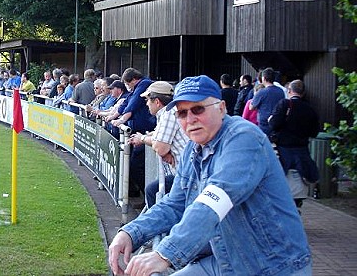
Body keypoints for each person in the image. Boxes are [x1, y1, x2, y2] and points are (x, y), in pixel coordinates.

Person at [108, 75, 312, 276]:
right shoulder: (193, 149)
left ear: (221, 108)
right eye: (182, 113)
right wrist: (130, 232)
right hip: (223, 260)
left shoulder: (244, 138)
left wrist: (164, 254)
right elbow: (175, 203)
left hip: (272, 265)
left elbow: (214, 201)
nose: (190, 119)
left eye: (198, 109)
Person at [129, 81, 189, 208]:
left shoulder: (169, 113)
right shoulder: (168, 113)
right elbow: (158, 136)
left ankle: (161, 227)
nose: (146, 104)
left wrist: (143, 138)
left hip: (186, 176)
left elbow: (160, 147)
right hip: (184, 172)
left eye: (147, 100)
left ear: (157, 101)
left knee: (153, 191)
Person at [269, 79, 320, 208]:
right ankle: (297, 205)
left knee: (283, 178)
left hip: (283, 148)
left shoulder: (284, 104)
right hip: (302, 150)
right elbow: (314, 132)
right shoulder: (310, 109)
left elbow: (274, 124)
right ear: (302, 93)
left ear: (290, 91)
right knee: (299, 178)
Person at [107, 68, 155, 197]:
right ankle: (142, 194)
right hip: (139, 132)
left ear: (134, 79)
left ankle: (149, 196)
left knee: (136, 165)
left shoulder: (144, 84)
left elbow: (133, 103)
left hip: (146, 131)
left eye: (128, 84)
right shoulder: (137, 88)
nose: (128, 87)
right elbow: (128, 102)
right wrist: (114, 116)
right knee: (132, 163)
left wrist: (122, 119)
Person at [249, 67, 286, 136]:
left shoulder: (261, 92)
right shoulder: (281, 91)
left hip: (264, 125)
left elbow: (251, 107)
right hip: (277, 124)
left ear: (264, 78)